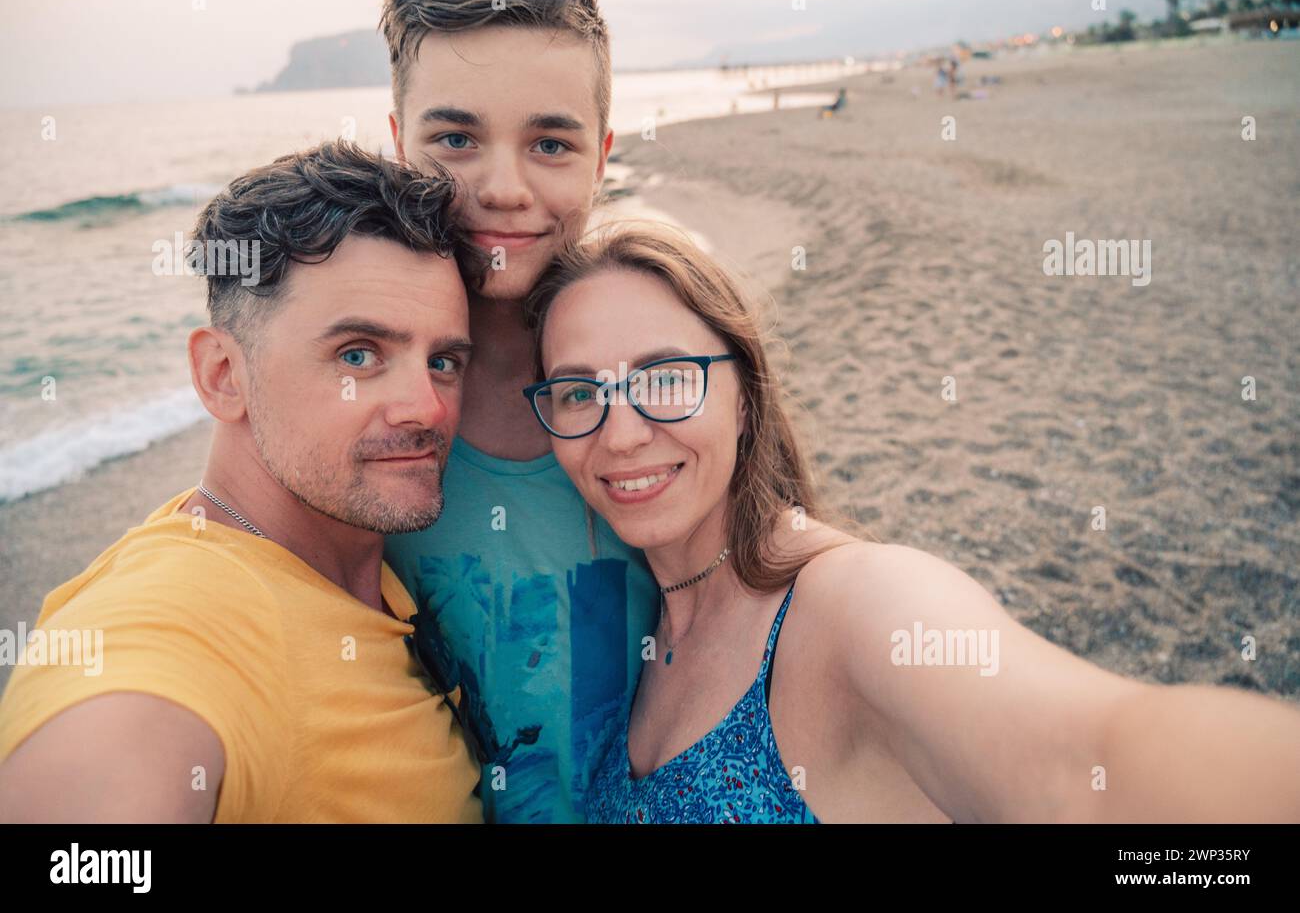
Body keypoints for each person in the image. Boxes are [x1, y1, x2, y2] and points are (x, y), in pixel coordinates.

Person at [519, 221, 1300, 823]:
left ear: (744, 396)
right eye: (579, 393)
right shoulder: (638, 623)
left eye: (665, 378)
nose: (620, 435)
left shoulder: (853, 604)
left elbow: (1090, 766)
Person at [0, 141, 486, 823]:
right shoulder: (181, 618)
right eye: (357, 354)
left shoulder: (365, 562)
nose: (428, 406)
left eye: (443, 361)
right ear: (223, 376)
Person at [372, 0, 659, 822]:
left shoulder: (668, 389)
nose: (502, 188)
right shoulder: (357, 415)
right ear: (398, 144)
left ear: (602, 157)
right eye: (455, 140)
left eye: (551, 144)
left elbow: (787, 570)